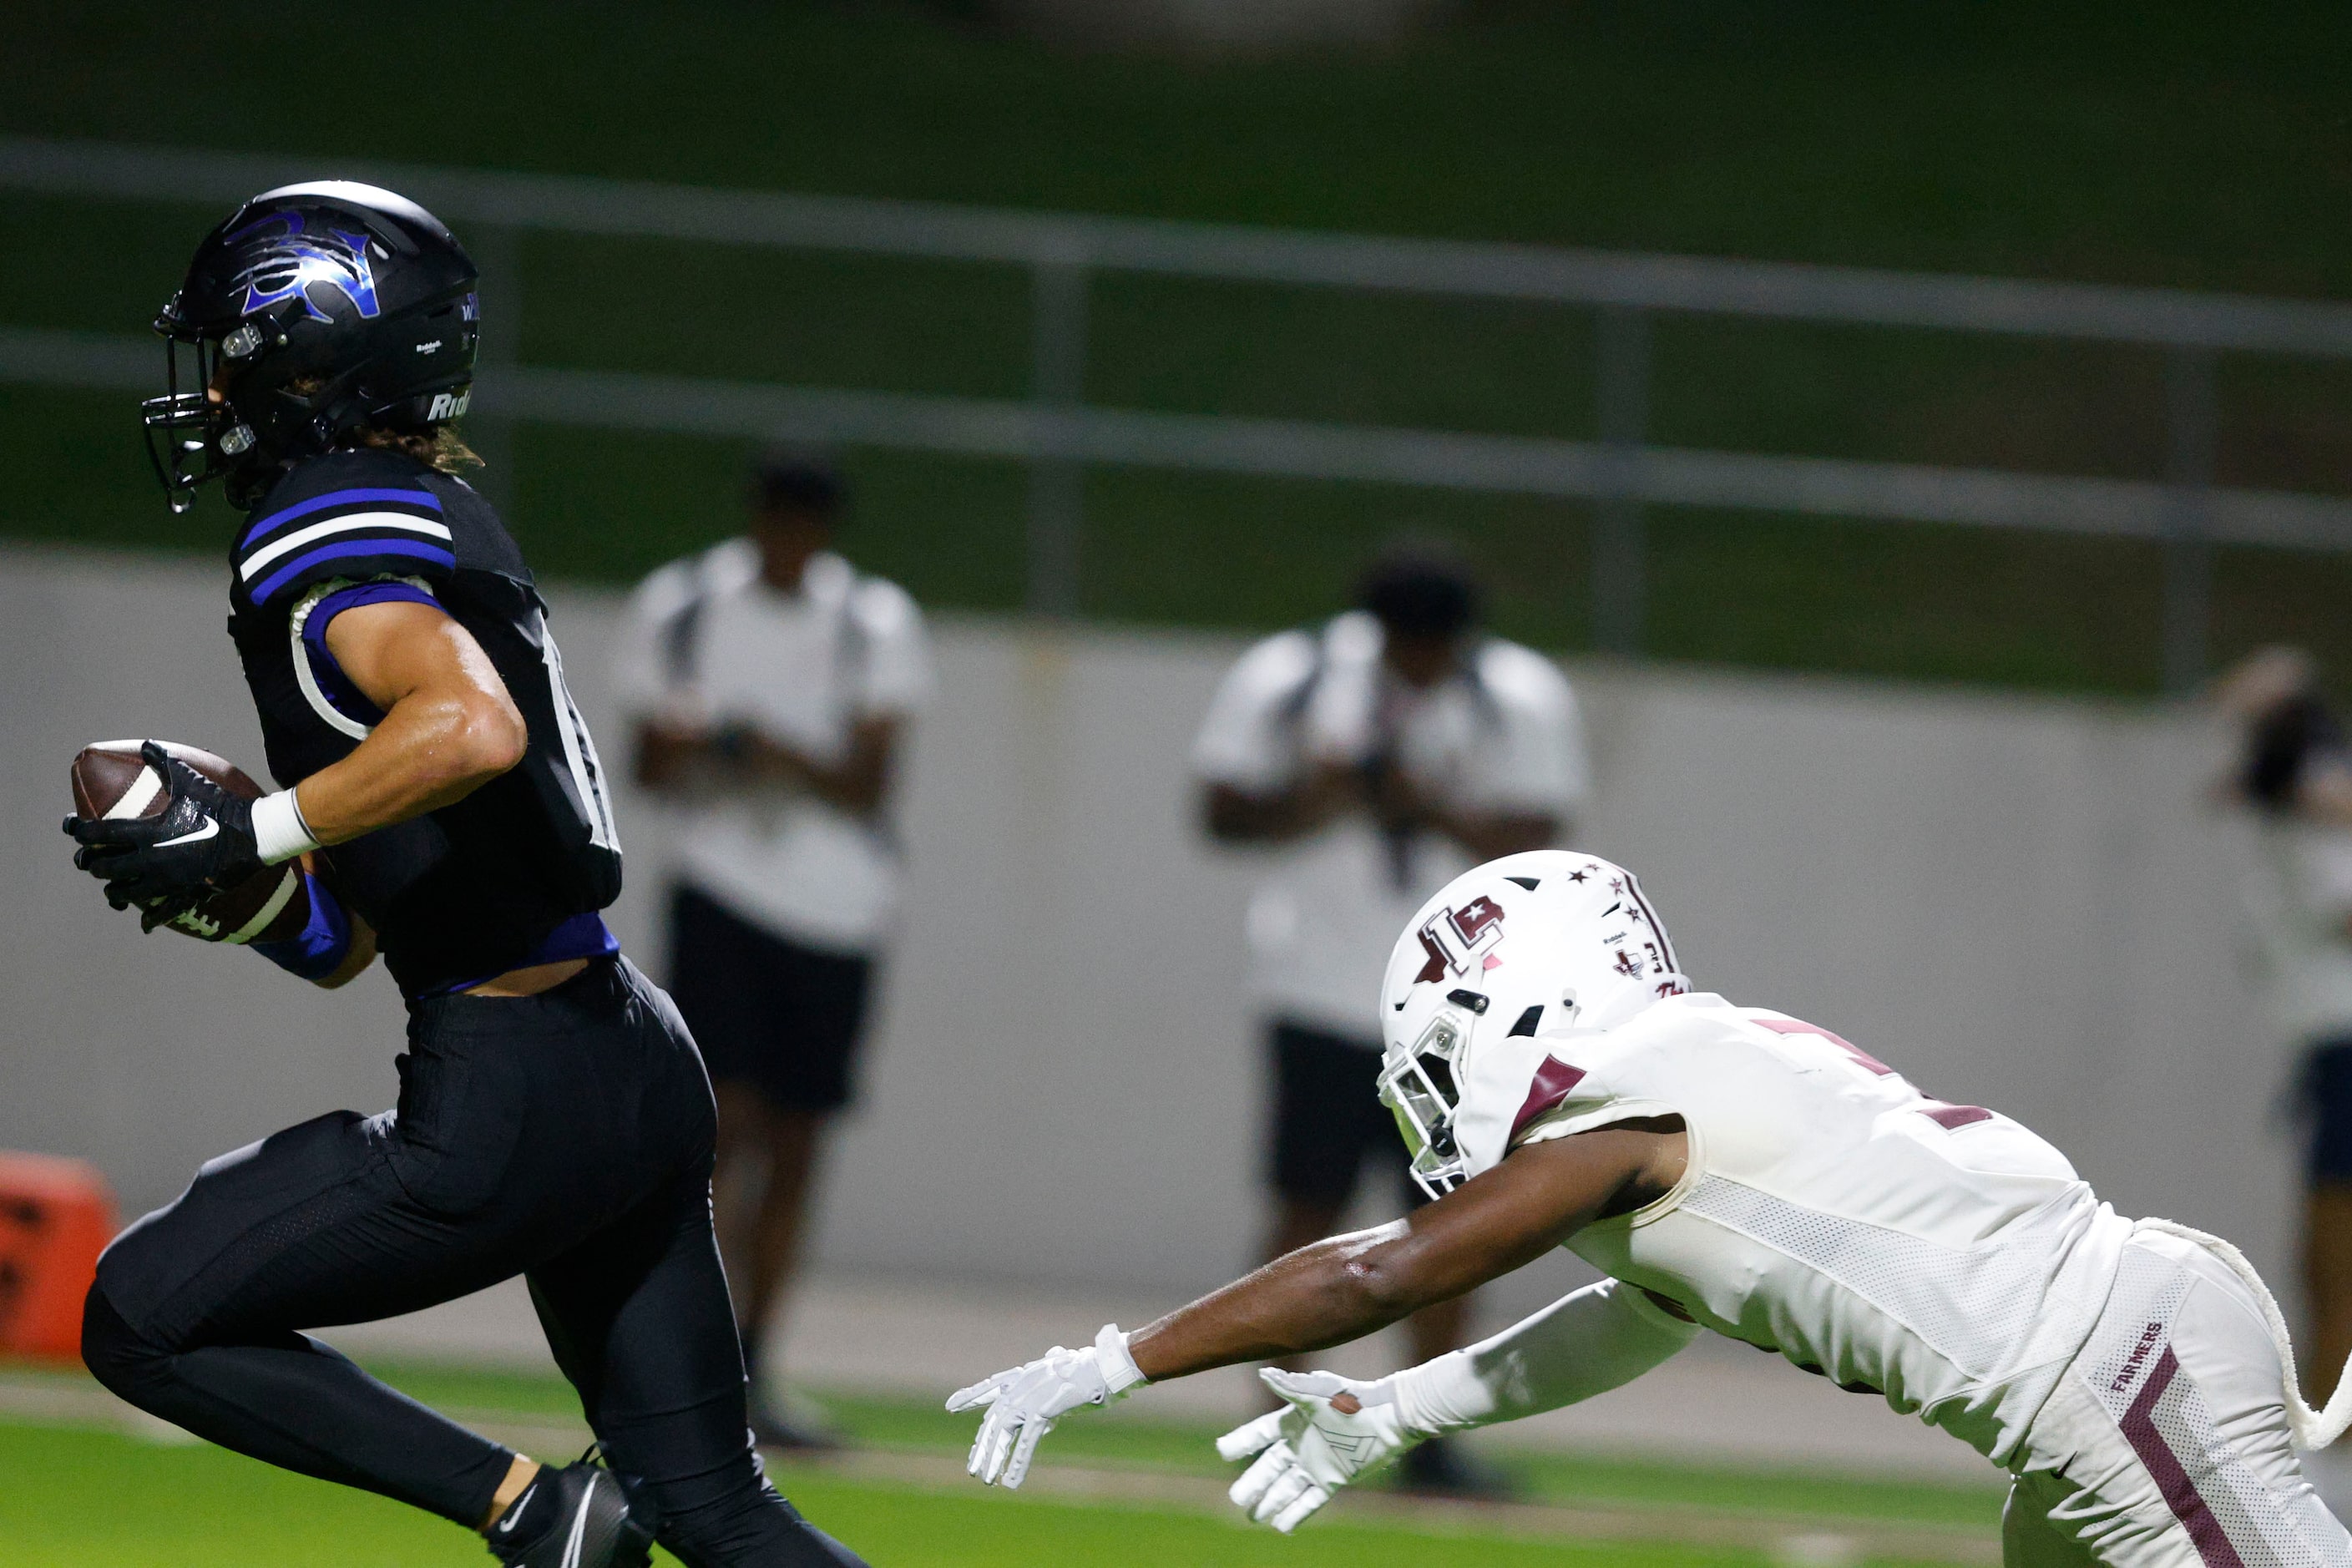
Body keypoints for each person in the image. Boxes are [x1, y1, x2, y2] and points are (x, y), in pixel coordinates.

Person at [66, 181, 866, 1568]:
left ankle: (530, 1511)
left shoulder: (320, 525)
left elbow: (470, 723)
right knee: (719, 1512)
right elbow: (354, 938)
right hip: (630, 1055)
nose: (211, 386)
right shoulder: (421, 504)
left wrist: (257, 833)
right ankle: (562, 1518)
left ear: (303, 350)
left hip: (511, 1089)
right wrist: (257, 894)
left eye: (232, 347)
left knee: (139, 1310)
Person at [948, 849, 2352, 1564]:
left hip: (2116, 1381)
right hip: (2120, 1364)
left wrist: (1115, 1362)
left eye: (1448, 1038)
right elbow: (1645, 1317)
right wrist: (1406, 1408)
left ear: (1529, 1002)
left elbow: (1381, 1268)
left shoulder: (1623, 1110)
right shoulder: (1677, 1093)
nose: (1434, 1087)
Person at [1189, 540, 1586, 1494]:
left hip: (1459, 1007)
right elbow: (1219, 811)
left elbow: (1541, 843)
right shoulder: (1298, 677)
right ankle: (1281, 1415)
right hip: (1318, 987)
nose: (1421, 665)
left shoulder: (1516, 696)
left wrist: (1430, 801)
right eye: (1406, 647)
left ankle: (1429, 1434)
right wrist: (1321, 796)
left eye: (1436, 650)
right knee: (1305, 1206)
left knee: (1455, 1218)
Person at [611, 450, 930, 1448]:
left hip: (837, 909)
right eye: (775, 519)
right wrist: (709, 741)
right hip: (722, 886)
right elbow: (648, 762)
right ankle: (687, 1362)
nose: (787, 541)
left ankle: (755, 1364)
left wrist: (763, 744)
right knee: (718, 1128)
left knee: (796, 1142)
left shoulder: (870, 620)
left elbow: (870, 781)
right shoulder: (685, 602)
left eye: (804, 523)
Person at [2217, 648, 2352, 1410]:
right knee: (2319, 1265)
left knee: (2333, 1265)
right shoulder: (2292, 837)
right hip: (2327, 1057)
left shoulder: (2315, 841)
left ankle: (2331, 1453)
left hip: (2346, 1053)